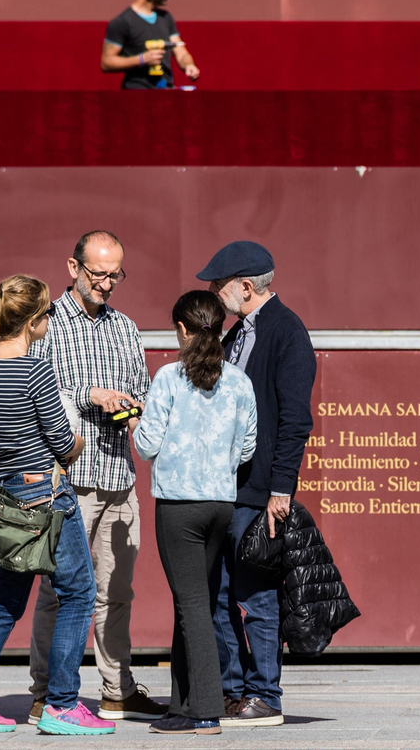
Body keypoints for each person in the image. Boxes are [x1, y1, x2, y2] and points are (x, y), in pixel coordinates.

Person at [0, 275, 114, 736]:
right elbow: (63, 443)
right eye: (46, 314)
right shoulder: (35, 369)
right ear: (33, 321)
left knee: (3, 603)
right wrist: (82, 441)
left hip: (6, 498)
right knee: (79, 594)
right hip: (49, 496)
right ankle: (62, 706)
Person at [26, 231, 166, 725]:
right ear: (73, 267)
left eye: (115, 274)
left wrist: (131, 406)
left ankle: (116, 689)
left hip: (117, 474)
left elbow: (144, 390)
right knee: (59, 592)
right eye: (98, 273)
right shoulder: (46, 325)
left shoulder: (125, 327)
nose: (107, 283)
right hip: (67, 478)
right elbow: (37, 389)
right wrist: (92, 394)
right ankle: (45, 691)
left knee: (117, 592)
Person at [199, 241, 316, 728]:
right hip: (227, 490)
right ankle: (232, 691)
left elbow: (295, 420)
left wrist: (280, 491)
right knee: (223, 594)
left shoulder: (286, 333)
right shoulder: (234, 337)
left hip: (259, 491)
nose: (211, 292)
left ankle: (264, 694)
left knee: (256, 598)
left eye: (217, 285)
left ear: (245, 287)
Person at [133, 291, 258, 735]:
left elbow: (147, 445)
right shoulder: (239, 381)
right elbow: (247, 449)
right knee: (194, 602)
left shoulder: (168, 377)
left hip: (179, 505)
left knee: (191, 606)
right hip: (221, 503)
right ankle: (183, 702)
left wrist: (136, 422)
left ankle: (204, 709)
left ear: (182, 330)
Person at [101, 0, 202, 90]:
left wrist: (189, 65)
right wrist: (141, 59)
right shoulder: (122, 22)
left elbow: (180, 51)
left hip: (166, 92)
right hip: (136, 95)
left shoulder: (166, 18)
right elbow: (106, 62)